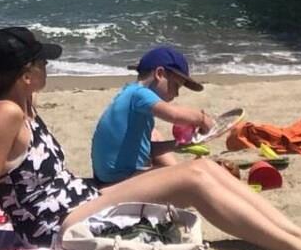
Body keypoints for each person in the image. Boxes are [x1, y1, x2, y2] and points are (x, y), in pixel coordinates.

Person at [0, 27, 301, 250]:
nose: (48, 67)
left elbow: (3, 179)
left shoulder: (24, 105)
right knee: (193, 178)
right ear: (25, 74)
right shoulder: (3, 114)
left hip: (77, 199)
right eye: (41, 63)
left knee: (208, 171)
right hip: (56, 225)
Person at [91, 45, 213, 184]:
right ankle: (176, 172)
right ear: (159, 74)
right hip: (120, 178)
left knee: (153, 133)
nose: (176, 94)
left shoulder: (129, 93)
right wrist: (202, 119)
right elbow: (174, 114)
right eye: (175, 86)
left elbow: (145, 149)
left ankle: (174, 169)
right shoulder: (140, 94)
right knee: (190, 175)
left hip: (106, 176)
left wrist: (176, 145)